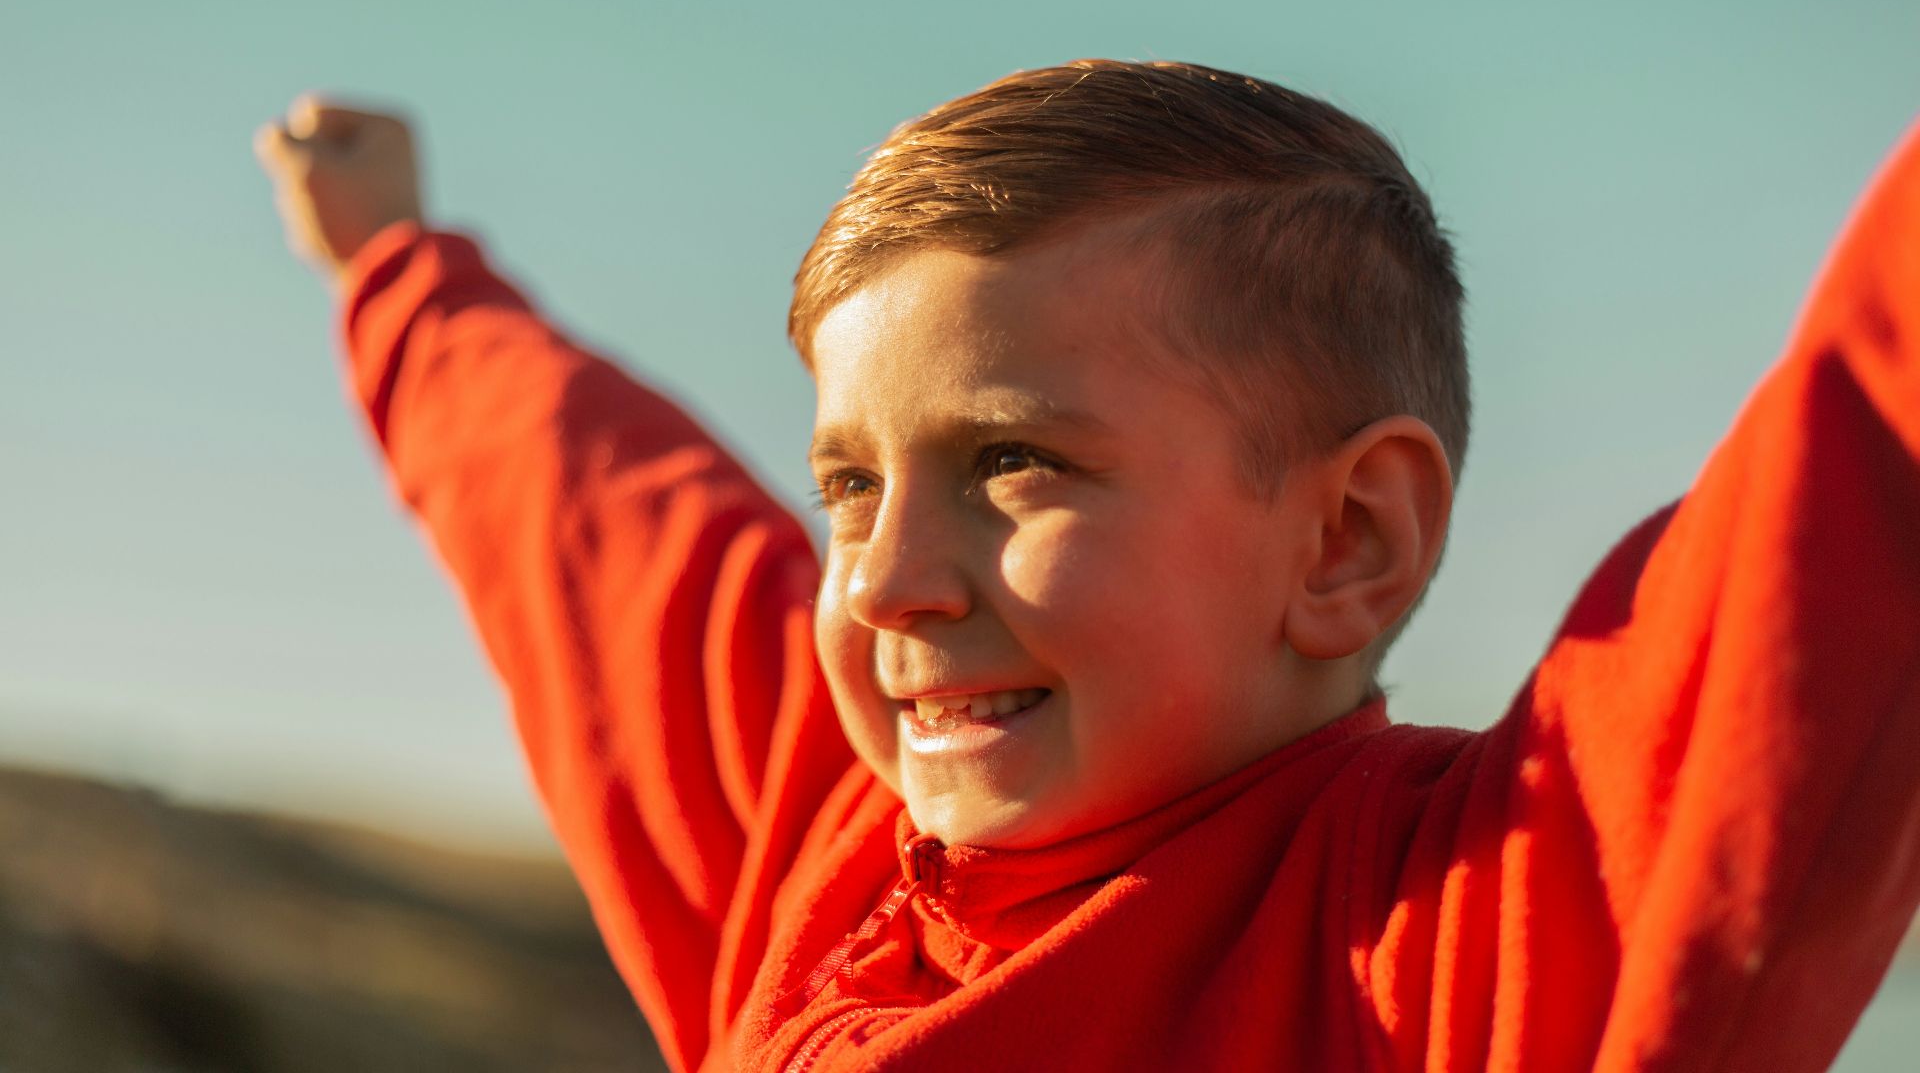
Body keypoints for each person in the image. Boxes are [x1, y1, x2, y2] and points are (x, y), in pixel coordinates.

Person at [253, 60, 1920, 1071]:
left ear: (1347, 538)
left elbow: (1862, 476)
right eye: (847, 482)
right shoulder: (819, 856)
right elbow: (592, 521)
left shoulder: (1462, 951)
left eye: (1015, 463)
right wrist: (398, 269)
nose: (890, 581)